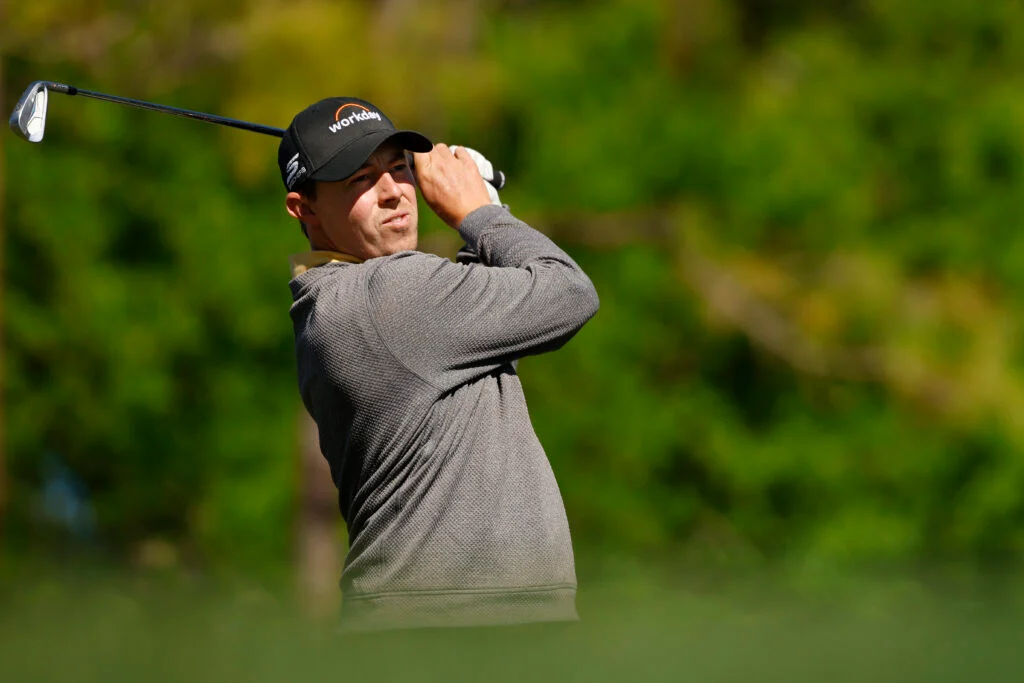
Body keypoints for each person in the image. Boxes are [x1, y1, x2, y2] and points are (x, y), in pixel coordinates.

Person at [278, 96, 599, 631]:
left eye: (399, 168)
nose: (393, 194)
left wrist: (483, 219)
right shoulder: (384, 296)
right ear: (303, 207)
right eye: (360, 180)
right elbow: (569, 293)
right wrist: (481, 212)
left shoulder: (345, 302)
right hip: (455, 628)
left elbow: (471, 324)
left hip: (444, 622)